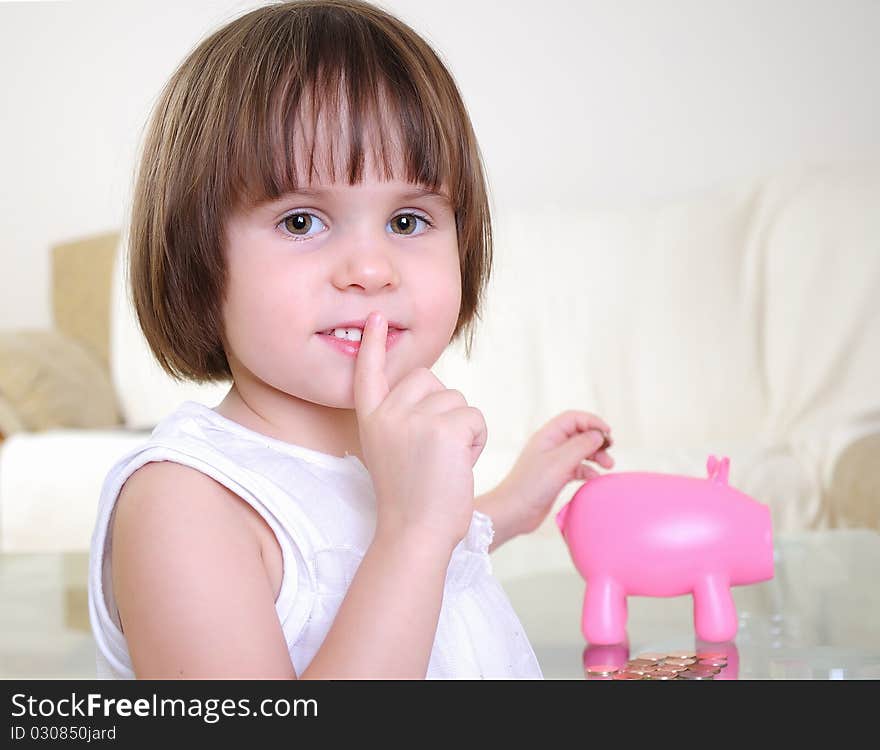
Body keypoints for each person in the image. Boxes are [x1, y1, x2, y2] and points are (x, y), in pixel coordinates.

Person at [87, 0, 614, 680]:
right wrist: (416, 532)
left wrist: (495, 511)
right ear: (197, 254)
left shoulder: (382, 473)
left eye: (407, 220)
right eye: (302, 222)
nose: (371, 270)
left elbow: (336, 548)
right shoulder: (184, 507)